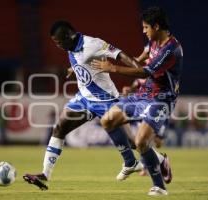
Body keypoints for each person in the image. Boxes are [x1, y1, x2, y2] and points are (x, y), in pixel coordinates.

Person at [23, 20, 145, 190]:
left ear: (68, 36)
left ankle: (157, 161)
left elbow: (120, 54)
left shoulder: (93, 43)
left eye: (58, 42)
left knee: (133, 142)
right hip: (85, 99)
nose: (57, 46)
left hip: (105, 99)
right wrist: (75, 69)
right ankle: (45, 175)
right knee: (60, 127)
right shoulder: (71, 46)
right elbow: (82, 60)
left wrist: (140, 69)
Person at [92, 7, 183, 195]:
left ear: (156, 26)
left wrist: (113, 68)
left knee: (142, 142)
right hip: (143, 94)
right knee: (108, 119)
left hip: (161, 99)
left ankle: (159, 186)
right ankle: (133, 161)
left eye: (146, 27)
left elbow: (144, 71)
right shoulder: (153, 43)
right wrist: (108, 58)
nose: (144, 31)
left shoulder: (171, 49)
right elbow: (137, 62)